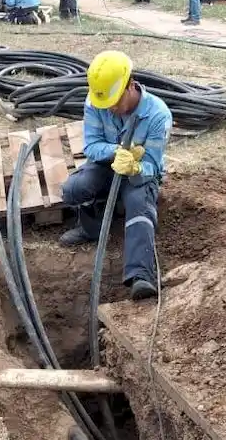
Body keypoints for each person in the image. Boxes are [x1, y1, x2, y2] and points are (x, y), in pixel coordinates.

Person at [59, 50, 172, 301]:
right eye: (106, 103)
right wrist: (116, 151)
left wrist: (134, 167)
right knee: (75, 188)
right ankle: (92, 229)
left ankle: (140, 274)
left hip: (140, 173)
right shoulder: (96, 102)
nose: (110, 108)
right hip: (107, 164)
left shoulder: (158, 115)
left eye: (115, 101)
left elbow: (153, 166)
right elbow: (91, 146)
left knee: (138, 203)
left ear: (131, 86)